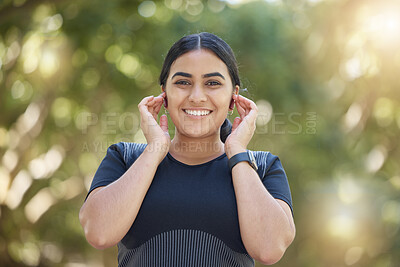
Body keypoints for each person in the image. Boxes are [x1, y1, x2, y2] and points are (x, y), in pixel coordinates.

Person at [79, 32, 295, 267]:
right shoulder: (125, 158)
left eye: (212, 83)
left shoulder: (262, 166)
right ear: (165, 94)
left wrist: (236, 152)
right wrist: (155, 150)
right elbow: (98, 233)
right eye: (183, 82)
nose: (197, 97)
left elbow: (269, 249)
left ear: (234, 97)